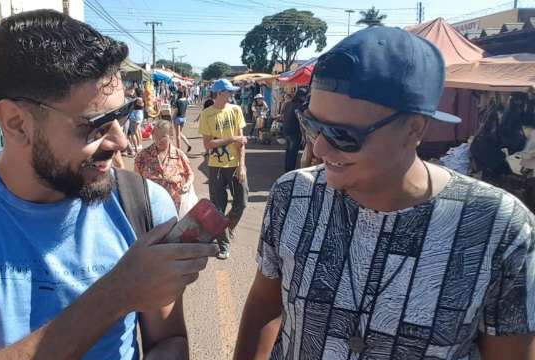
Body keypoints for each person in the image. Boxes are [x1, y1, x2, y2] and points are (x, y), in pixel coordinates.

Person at [0, 10, 219, 360]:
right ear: (17, 123)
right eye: (95, 125)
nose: (121, 143)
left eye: (121, 116)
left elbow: (169, 341)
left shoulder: (142, 203)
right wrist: (116, 294)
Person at [235, 27, 535, 360]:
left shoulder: (498, 228)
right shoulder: (293, 195)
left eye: (342, 134)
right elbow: (265, 303)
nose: (318, 147)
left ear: (415, 129)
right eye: (312, 124)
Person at [198, 79, 248, 260]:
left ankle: (224, 230)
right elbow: (208, 144)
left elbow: (241, 142)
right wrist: (231, 138)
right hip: (216, 167)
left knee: (241, 203)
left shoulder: (236, 110)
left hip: (235, 165)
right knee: (218, 207)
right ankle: (224, 244)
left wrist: (242, 166)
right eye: (229, 92)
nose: (232, 95)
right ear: (219, 93)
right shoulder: (207, 114)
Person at [135, 120, 194, 210]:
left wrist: (187, 184)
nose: (159, 140)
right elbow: (136, 177)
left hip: (174, 203)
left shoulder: (179, 155)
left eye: (163, 136)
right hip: (151, 204)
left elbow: (190, 173)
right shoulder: (143, 155)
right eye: (156, 136)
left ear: (170, 136)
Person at [282, 88, 307, 172]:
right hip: (295, 132)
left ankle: (287, 169)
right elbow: (301, 122)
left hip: (286, 130)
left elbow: (283, 115)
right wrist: (304, 135)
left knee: (288, 150)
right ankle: (290, 171)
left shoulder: (288, 104)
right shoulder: (300, 106)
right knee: (293, 152)